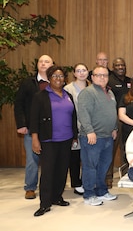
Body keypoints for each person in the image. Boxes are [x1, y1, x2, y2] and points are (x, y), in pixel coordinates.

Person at [30, 66, 78, 216]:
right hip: (48, 139)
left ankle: (57, 197)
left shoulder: (68, 95)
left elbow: (73, 116)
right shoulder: (41, 96)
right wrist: (35, 139)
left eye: (61, 76)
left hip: (66, 139)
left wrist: (74, 136)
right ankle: (45, 203)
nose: (58, 79)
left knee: (62, 170)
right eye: (55, 76)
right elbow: (34, 120)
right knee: (48, 172)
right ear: (49, 78)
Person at [78, 66, 119, 206]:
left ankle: (101, 190)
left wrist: (114, 128)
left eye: (105, 75)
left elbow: (111, 111)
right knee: (90, 166)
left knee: (103, 166)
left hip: (107, 137)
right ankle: (89, 194)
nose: (102, 77)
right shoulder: (87, 93)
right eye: (99, 75)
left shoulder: (110, 92)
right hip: (93, 137)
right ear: (92, 77)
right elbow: (83, 113)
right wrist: (89, 131)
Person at [14, 54, 53, 199]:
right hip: (32, 128)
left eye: (47, 61)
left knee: (50, 159)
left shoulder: (56, 82)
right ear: (37, 65)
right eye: (41, 61)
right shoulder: (28, 83)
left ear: (52, 64)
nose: (43, 63)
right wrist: (21, 124)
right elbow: (18, 104)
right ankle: (30, 187)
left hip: (51, 129)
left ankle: (50, 186)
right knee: (32, 159)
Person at [64, 63, 89, 196]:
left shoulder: (91, 87)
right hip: (73, 126)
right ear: (74, 73)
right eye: (78, 71)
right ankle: (76, 183)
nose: (81, 73)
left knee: (87, 157)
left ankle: (86, 181)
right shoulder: (68, 89)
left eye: (84, 70)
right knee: (74, 157)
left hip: (88, 127)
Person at [107, 57, 131, 189]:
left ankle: (127, 175)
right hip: (114, 118)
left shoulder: (129, 81)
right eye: (117, 65)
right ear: (113, 67)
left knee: (127, 148)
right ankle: (108, 177)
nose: (120, 67)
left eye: (122, 65)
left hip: (128, 118)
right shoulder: (109, 80)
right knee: (111, 149)